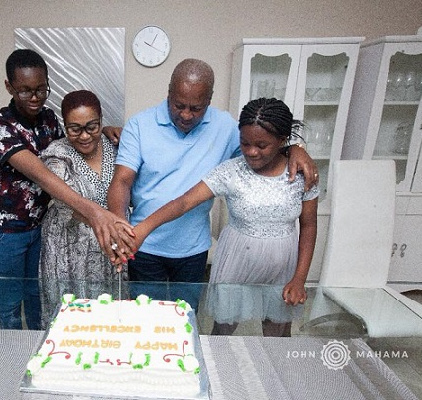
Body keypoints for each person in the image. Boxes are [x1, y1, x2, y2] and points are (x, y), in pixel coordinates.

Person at [108, 59, 317, 311]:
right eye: (178, 105)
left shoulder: (227, 126)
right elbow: (122, 181)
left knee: (186, 318)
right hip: (143, 243)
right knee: (145, 318)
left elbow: (263, 142)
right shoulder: (139, 125)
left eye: (196, 108)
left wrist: (295, 148)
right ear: (169, 93)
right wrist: (121, 229)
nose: (186, 115)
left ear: (209, 99)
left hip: (192, 249)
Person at [131, 97, 318, 336]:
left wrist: (300, 278)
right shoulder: (231, 171)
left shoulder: (302, 174)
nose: (251, 152)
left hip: (284, 263)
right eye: (245, 143)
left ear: (282, 140)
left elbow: (309, 226)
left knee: (278, 333)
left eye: (261, 146)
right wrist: (143, 229)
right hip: (237, 259)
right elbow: (185, 202)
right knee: (223, 330)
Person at [0, 49, 132, 330]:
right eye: (25, 91)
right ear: (9, 87)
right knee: (11, 305)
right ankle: (14, 361)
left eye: (41, 89)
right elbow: (45, 177)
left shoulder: (48, 118)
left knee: (38, 298)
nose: (35, 97)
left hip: (38, 227)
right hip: (4, 229)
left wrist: (103, 128)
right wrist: (97, 214)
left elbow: (73, 145)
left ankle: (40, 354)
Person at [38, 90, 127, 328]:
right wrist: (108, 228)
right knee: (72, 319)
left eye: (92, 126)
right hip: (68, 246)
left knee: (109, 317)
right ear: (64, 126)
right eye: (75, 129)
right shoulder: (56, 155)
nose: (85, 136)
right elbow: (66, 204)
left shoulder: (117, 146)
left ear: (101, 121)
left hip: (111, 244)